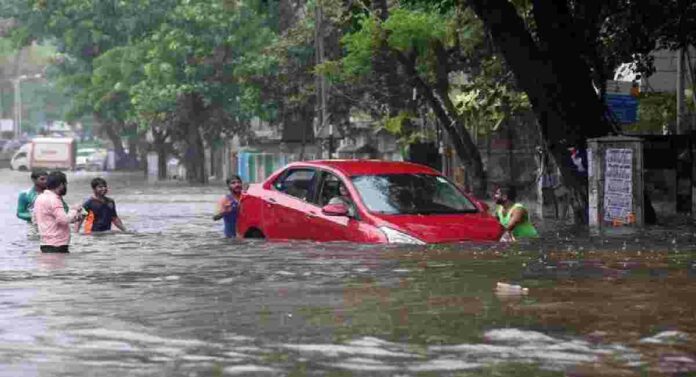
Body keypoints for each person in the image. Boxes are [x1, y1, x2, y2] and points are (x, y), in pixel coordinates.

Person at [33, 171, 84, 253]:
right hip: (58, 245)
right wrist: (75, 210)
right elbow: (63, 220)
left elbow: (35, 220)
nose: (66, 187)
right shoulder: (54, 199)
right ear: (61, 185)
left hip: (44, 243)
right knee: (59, 265)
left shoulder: (39, 198)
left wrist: (74, 217)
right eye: (65, 184)